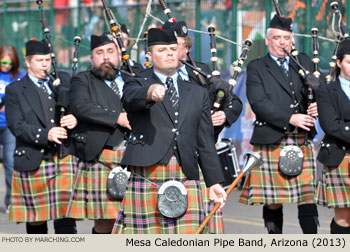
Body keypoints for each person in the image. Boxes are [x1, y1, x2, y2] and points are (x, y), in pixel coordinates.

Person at [112, 27, 227, 234]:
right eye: (163, 49)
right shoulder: (137, 81)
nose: (170, 53)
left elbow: (205, 141)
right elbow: (130, 98)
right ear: (149, 55)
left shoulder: (197, 91)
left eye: (173, 49)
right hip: (148, 171)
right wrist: (150, 93)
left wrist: (214, 182)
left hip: (186, 171)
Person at [238, 14, 319, 234]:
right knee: (273, 200)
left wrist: (317, 105)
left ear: (292, 39)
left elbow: (317, 93)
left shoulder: (303, 61)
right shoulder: (257, 67)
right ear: (267, 40)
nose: (282, 42)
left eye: (286, 37)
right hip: (272, 137)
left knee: (307, 197)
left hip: (301, 137)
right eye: (277, 37)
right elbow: (258, 102)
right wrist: (289, 118)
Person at [161, 20, 243, 234]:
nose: (171, 51)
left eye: (176, 45)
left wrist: (224, 115)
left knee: (203, 226)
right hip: (164, 158)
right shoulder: (152, 76)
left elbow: (234, 102)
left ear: (186, 49)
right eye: (165, 46)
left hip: (199, 155)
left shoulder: (202, 72)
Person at [5, 39, 78, 234]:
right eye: (39, 60)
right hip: (33, 156)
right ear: (28, 62)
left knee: (65, 215)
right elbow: (16, 125)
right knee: (36, 218)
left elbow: (78, 107)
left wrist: (74, 119)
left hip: (63, 156)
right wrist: (46, 134)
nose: (45, 64)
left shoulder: (62, 83)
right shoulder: (15, 90)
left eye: (47, 59)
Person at [67, 33, 131, 234]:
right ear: (92, 58)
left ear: (119, 54)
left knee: (137, 217)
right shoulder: (82, 80)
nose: (106, 57)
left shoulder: (135, 76)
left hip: (139, 154)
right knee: (106, 221)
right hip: (103, 154)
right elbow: (81, 106)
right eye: (99, 53)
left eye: (110, 51)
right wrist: (117, 117)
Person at [315, 39, 350, 234]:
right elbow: (331, 125)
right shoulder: (326, 91)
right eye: (349, 62)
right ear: (338, 63)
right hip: (340, 159)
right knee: (344, 219)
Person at [0, 45, 24, 214]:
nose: (6, 65)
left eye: (10, 62)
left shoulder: (19, 76)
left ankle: (10, 201)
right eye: (3, 61)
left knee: (10, 162)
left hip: (8, 125)